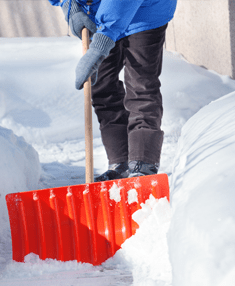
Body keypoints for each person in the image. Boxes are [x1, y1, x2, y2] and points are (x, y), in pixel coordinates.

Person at [48, 0, 177, 181]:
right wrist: (70, 5)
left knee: (141, 83)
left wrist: (101, 44)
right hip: (99, 12)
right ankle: (120, 163)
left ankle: (143, 163)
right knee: (101, 84)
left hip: (145, 9)